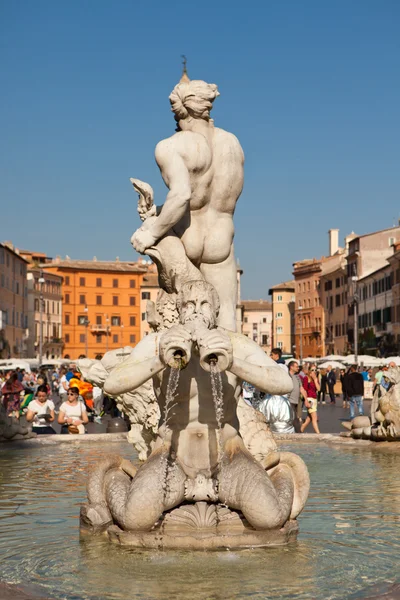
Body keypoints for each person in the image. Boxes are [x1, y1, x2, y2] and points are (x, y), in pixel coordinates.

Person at [130, 76, 244, 331]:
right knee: (227, 327)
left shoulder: (171, 146)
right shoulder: (233, 145)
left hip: (187, 240)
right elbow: (216, 201)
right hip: (222, 242)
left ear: (178, 111)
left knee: (179, 324)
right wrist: (159, 213)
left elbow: (182, 196)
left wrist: (151, 231)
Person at [287, 361, 307, 432]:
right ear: (291, 367)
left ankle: (295, 433)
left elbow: (301, 389)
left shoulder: (297, 377)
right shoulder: (287, 376)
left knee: (296, 418)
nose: (298, 368)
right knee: (293, 419)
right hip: (289, 401)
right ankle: (298, 433)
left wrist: (306, 400)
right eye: (296, 366)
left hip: (297, 402)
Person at [300, 366, 321, 434]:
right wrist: (306, 400)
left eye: (315, 369)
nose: (314, 371)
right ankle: (318, 434)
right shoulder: (306, 378)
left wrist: (315, 379)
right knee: (314, 418)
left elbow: (318, 389)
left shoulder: (316, 379)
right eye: (312, 370)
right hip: (309, 399)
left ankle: (301, 429)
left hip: (314, 399)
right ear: (309, 371)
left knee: (309, 418)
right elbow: (304, 390)